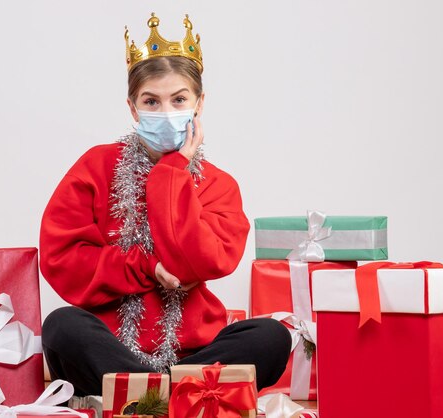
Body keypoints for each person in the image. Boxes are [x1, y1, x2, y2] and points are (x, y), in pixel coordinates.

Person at [40, 13, 291, 396]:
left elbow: (200, 261)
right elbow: (62, 259)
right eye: (151, 101)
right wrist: (145, 266)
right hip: (110, 349)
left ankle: (144, 394)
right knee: (62, 326)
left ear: (199, 103)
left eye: (179, 99)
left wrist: (172, 171)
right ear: (132, 108)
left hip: (195, 351)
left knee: (271, 336)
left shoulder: (219, 185)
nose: (166, 112)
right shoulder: (95, 166)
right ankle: (176, 393)